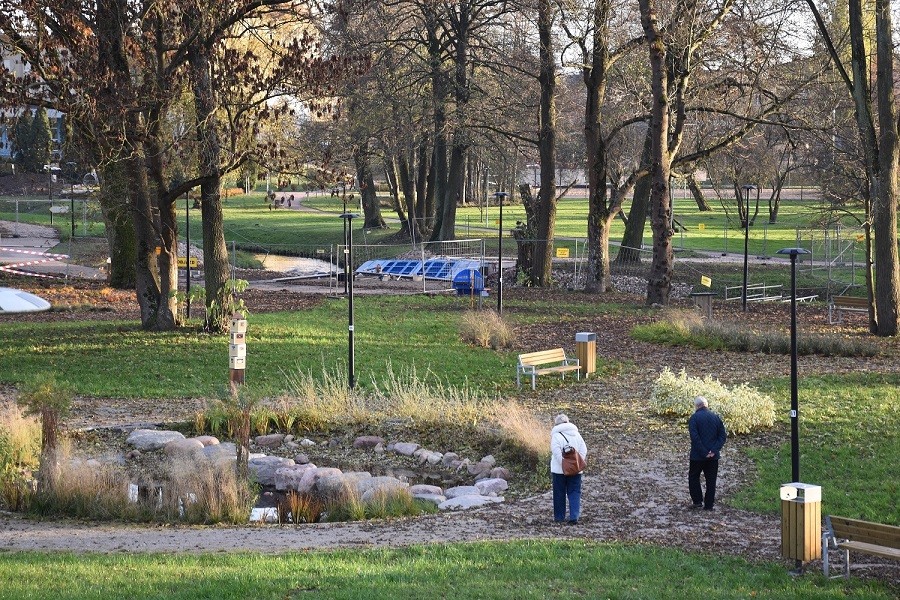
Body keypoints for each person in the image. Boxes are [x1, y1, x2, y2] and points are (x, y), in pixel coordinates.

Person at [688, 396, 727, 511]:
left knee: (694, 477)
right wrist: (714, 450)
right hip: (713, 457)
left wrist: (704, 452)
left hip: (697, 456)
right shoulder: (716, 417)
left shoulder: (694, 418)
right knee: (711, 480)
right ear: (706, 405)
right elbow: (722, 436)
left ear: (697, 406)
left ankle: (697, 501)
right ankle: (709, 505)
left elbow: (695, 437)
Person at [550, 413, 587, 524]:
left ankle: (559, 517)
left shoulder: (556, 436)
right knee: (574, 492)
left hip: (559, 471)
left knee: (559, 493)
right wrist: (576, 464)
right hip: (576, 470)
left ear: (557, 423)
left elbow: (556, 453)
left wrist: (564, 465)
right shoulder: (577, 434)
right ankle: (574, 517)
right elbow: (583, 450)